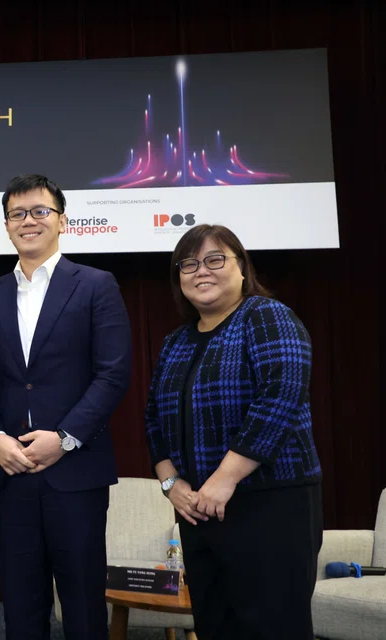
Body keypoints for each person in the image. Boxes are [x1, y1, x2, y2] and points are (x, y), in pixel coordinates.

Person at [144, 224, 323, 639]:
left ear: (242, 268)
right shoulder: (175, 342)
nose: (201, 271)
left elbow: (280, 396)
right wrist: (171, 485)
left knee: (274, 628)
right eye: (189, 264)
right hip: (198, 510)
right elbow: (153, 418)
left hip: (269, 503)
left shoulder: (266, 316)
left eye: (215, 259)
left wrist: (224, 480)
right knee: (215, 626)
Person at [0, 174, 132, 639]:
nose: (29, 221)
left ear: (62, 220)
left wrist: (63, 439)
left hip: (76, 473)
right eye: (17, 214)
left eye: (40, 211)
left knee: (83, 606)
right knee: (21, 608)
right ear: (7, 225)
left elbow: (113, 374)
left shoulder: (96, 285)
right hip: (11, 473)